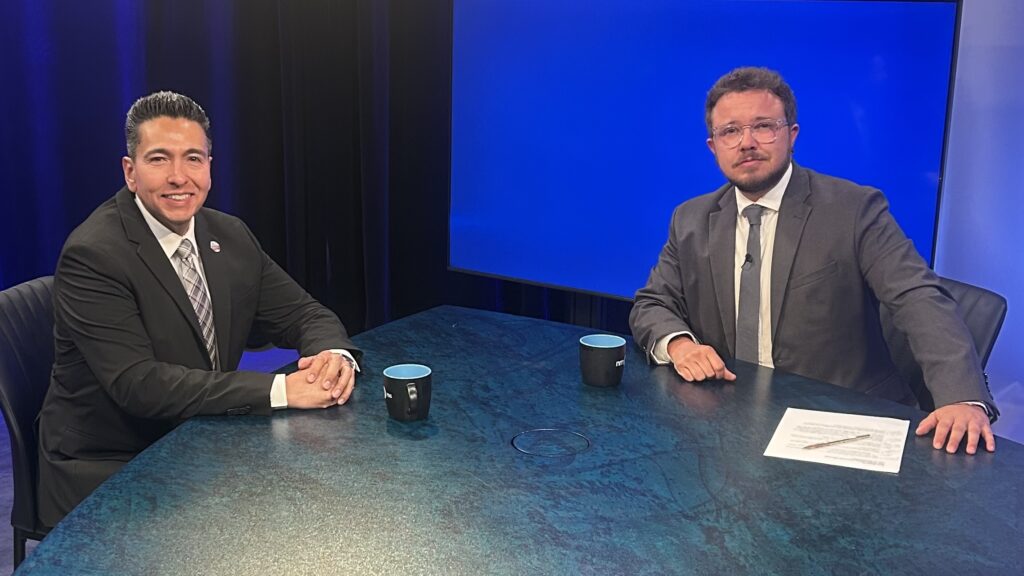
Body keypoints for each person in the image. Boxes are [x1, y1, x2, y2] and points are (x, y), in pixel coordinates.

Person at [629, 67, 997, 456]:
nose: (747, 143)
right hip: (731, 423)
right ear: (713, 146)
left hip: (841, 427)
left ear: (792, 135)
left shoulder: (854, 210)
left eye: (763, 127)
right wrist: (680, 345)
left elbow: (917, 297)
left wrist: (961, 398)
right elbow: (652, 303)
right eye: (731, 131)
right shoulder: (691, 219)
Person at [37, 91, 362, 527]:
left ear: (209, 166)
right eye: (159, 159)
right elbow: (139, 384)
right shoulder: (93, 255)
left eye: (193, 158)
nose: (179, 177)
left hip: (200, 434)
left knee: (331, 494)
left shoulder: (229, 235)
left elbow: (303, 313)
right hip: (113, 460)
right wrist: (282, 390)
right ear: (130, 172)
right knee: (271, 519)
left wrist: (331, 358)